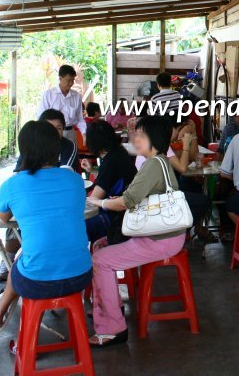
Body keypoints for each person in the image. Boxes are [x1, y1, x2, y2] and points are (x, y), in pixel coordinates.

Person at [86, 116, 186, 347]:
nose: (134, 138)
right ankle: (111, 306)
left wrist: (100, 203)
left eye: (140, 135)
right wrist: (114, 200)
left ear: (154, 139)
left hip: (160, 239)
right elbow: (132, 197)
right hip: (164, 233)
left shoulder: (152, 165)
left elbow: (127, 201)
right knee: (101, 245)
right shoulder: (157, 161)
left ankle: (113, 327)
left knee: (100, 260)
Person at [0, 121, 92, 327]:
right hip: (81, 274)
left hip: (37, 281)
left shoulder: (13, 184)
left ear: (24, 149)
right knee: (30, 257)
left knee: (21, 261)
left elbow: (3, 217)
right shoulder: (75, 180)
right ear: (56, 147)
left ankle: (5, 320)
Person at [81, 120, 137, 244]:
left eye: (86, 135)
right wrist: (92, 170)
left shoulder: (110, 162)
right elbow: (111, 181)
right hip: (126, 214)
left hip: (114, 220)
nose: (83, 137)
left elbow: (94, 199)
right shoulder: (118, 153)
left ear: (94, 142)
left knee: (76, 228)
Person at [14, 109, 78, 172]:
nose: (54, 132)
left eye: (58, 128)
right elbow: (18, 172)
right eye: (49, 127)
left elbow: (66, 173)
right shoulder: (32, 146)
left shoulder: (69, 146)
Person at [37, 64, 86, 145]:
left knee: (70, 155)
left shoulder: (77, 96)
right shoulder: (49, 94)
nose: (71, 83)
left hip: (70, 134)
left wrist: (84, 134)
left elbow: (80, 119)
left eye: (73, 80)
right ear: (60, 78)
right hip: (52, 134)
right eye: (68, 80)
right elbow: (41, 117)